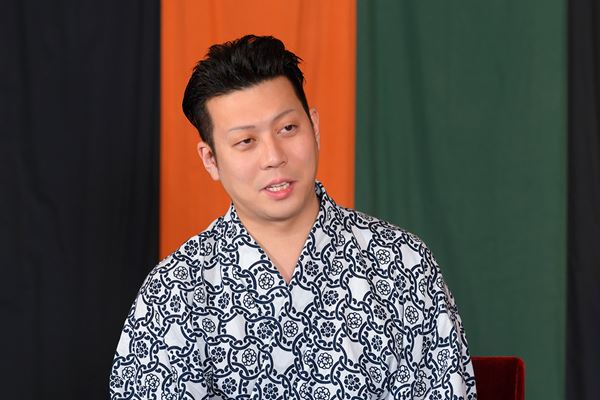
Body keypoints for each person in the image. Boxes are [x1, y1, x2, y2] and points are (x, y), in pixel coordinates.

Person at [110, 34, 477, 400]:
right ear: (211, 160)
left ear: (313, 127)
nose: (274, 156)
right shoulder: (175, 289)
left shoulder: (402, 262)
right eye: (246, 141)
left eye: (287, 129)